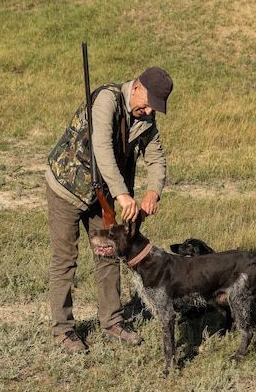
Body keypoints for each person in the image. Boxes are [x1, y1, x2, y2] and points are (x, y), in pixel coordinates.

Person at [45, 66, 174, 352]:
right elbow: (102, 147)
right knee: (66, 258)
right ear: (137, 87)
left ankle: (112, 322)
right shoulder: (107, 99)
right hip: (67, 187)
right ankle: (63, 330)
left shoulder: (145, 118)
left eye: (155, 109)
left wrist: (153, 191)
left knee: (109, 253)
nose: (150, 113)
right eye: (149, 105)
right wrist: (123, 195)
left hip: (101, 194)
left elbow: (156, 157)